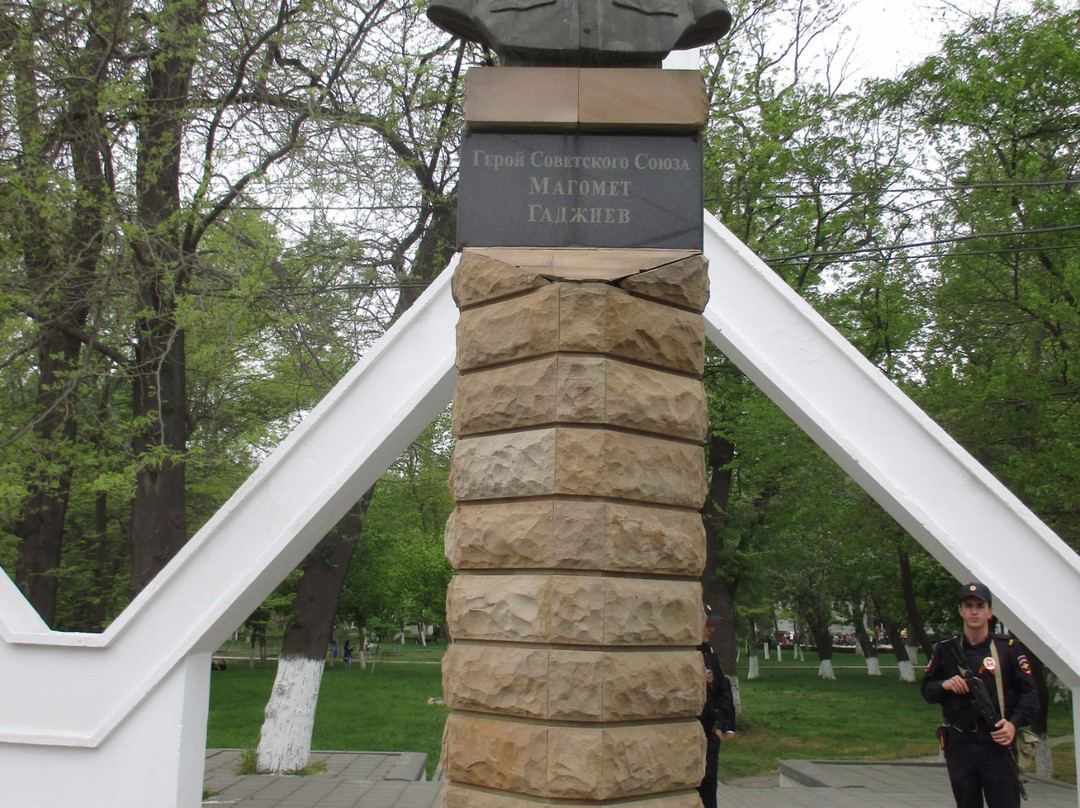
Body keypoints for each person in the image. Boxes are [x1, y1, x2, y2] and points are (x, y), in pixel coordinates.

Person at [921, 582, 1039, 808]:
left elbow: (1029, 694)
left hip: (997, 744)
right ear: (960, 610)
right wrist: (945, 684)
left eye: (980, 606)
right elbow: (927, 690)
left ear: (990, 612)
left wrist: (1012, 725)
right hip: (961, 746)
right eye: (968, 605)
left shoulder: (1008, 649)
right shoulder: (947, 649)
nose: (974, 612)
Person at [697, 605, 735, 808]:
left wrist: (721, 727)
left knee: (708, 788)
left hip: (709, 733)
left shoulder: (708, 653)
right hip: (686, 734)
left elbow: (722, 689)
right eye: (708, 624)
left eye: (713, 625)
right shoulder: (681, 652)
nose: (712, 629)